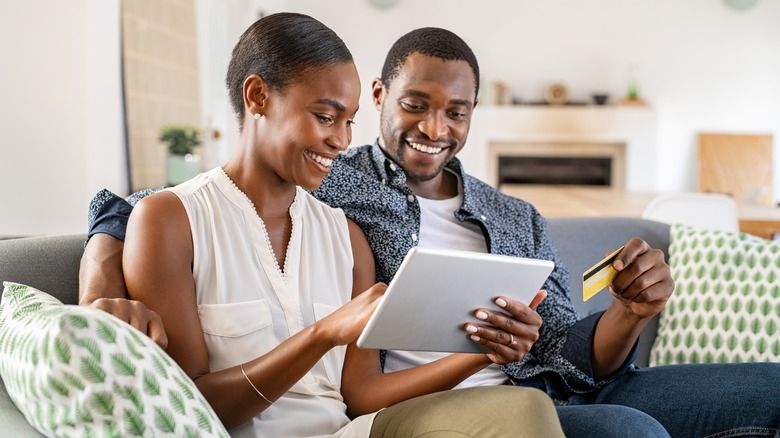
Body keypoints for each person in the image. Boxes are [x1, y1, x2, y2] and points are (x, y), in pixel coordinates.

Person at [81, 25, 780, 438]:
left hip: (559, 387)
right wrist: (101, 285)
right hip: (456, 408)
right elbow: (136, 204)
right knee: (631, 433)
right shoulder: (335, 180)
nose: (435, 129)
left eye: (458, 112)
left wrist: (628, 310)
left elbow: (571, 351)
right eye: (417, 105)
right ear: (382, 96)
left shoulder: (512, 216)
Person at [83, 11, 566, 438]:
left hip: (356, 431)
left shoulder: (347, 236)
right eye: (324, 116)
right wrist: (322, 334)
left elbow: (361, 397)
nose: (340, 140)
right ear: (258, 98)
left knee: (524, 407)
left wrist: (486, 352)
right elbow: (190, 408)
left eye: (350, 122)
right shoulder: (170, 221)